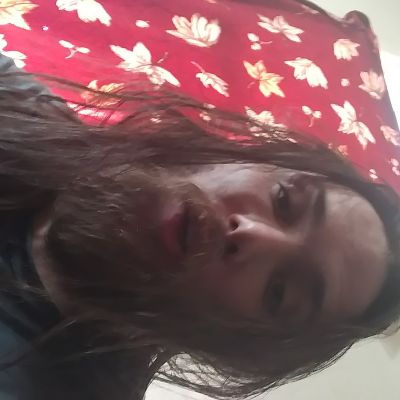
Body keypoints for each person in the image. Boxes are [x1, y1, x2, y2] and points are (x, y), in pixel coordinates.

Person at [0, 0, 399, 399]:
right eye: (284, 199)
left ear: (239, 342)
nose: (253, 234)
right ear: (246, 155)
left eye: (280, 292)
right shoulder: (29, 114)